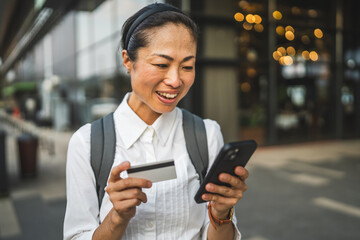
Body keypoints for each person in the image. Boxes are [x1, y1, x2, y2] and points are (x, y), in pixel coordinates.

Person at [64, 3, 249, 240]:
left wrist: (221, 213)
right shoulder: (87, 144)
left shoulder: (207, 134)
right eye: (161, 64)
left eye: (187, 66)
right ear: (128, 61)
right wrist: (116, 218)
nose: (175, 80)